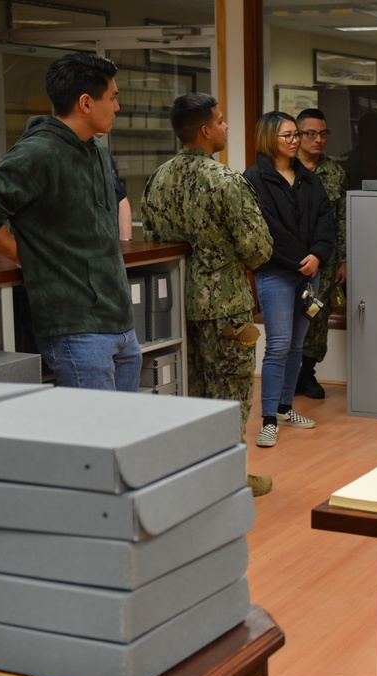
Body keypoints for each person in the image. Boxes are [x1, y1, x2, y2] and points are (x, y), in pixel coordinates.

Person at [0, 52, 142, 391]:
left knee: (128, 435)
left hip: (120, 323)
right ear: (86, 103)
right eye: (112, 98)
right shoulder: (39, 151)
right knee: (94, 439)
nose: (117, 106)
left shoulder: (97, 149)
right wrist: (21, 253)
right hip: (76, 329)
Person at [142, 93, 275, 497]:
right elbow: (259, 248)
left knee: (189, 390)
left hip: (173, 305)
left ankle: (195, 472)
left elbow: (152, 238)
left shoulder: (158, 178)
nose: (226, 126)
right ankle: (231, 477)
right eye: (220, 120)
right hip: (224, 307)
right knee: (230, 392)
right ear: (204, 130)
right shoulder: (227, 181)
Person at [244, 112, 335, 448]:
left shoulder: (309, 178)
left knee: (297, 345)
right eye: (288, 136)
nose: (296, 140)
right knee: (278, 346)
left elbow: (326, 221)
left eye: (297, 134)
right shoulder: (254, 179)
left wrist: (318, 256)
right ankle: (268, 419)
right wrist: (301, 260)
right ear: (270, 139)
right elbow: (265, 231)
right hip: (277, 274)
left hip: (310, 273)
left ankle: (285, 408)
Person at [294, 108, 348, 399]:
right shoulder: (285, 169)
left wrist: (344, 259)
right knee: (289, 317)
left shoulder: (335, 172)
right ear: (298, 135)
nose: (318, 139)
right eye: (311, 133)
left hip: (325, 262)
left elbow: (342, 219)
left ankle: (308, 373)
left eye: (323, 134)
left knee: (316, 314)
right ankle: (288, 377)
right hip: (291, 261)